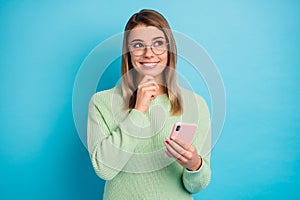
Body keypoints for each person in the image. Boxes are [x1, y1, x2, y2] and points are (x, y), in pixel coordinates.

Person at [87, 9, 211, 200]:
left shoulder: (196, 105)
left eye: (158, 43)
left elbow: (195, 185)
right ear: (128, 52)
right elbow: (104, 169)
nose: (149, 53)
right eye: (138, 45)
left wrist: (195, 165)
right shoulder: (101, 103)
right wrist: (139, 109)